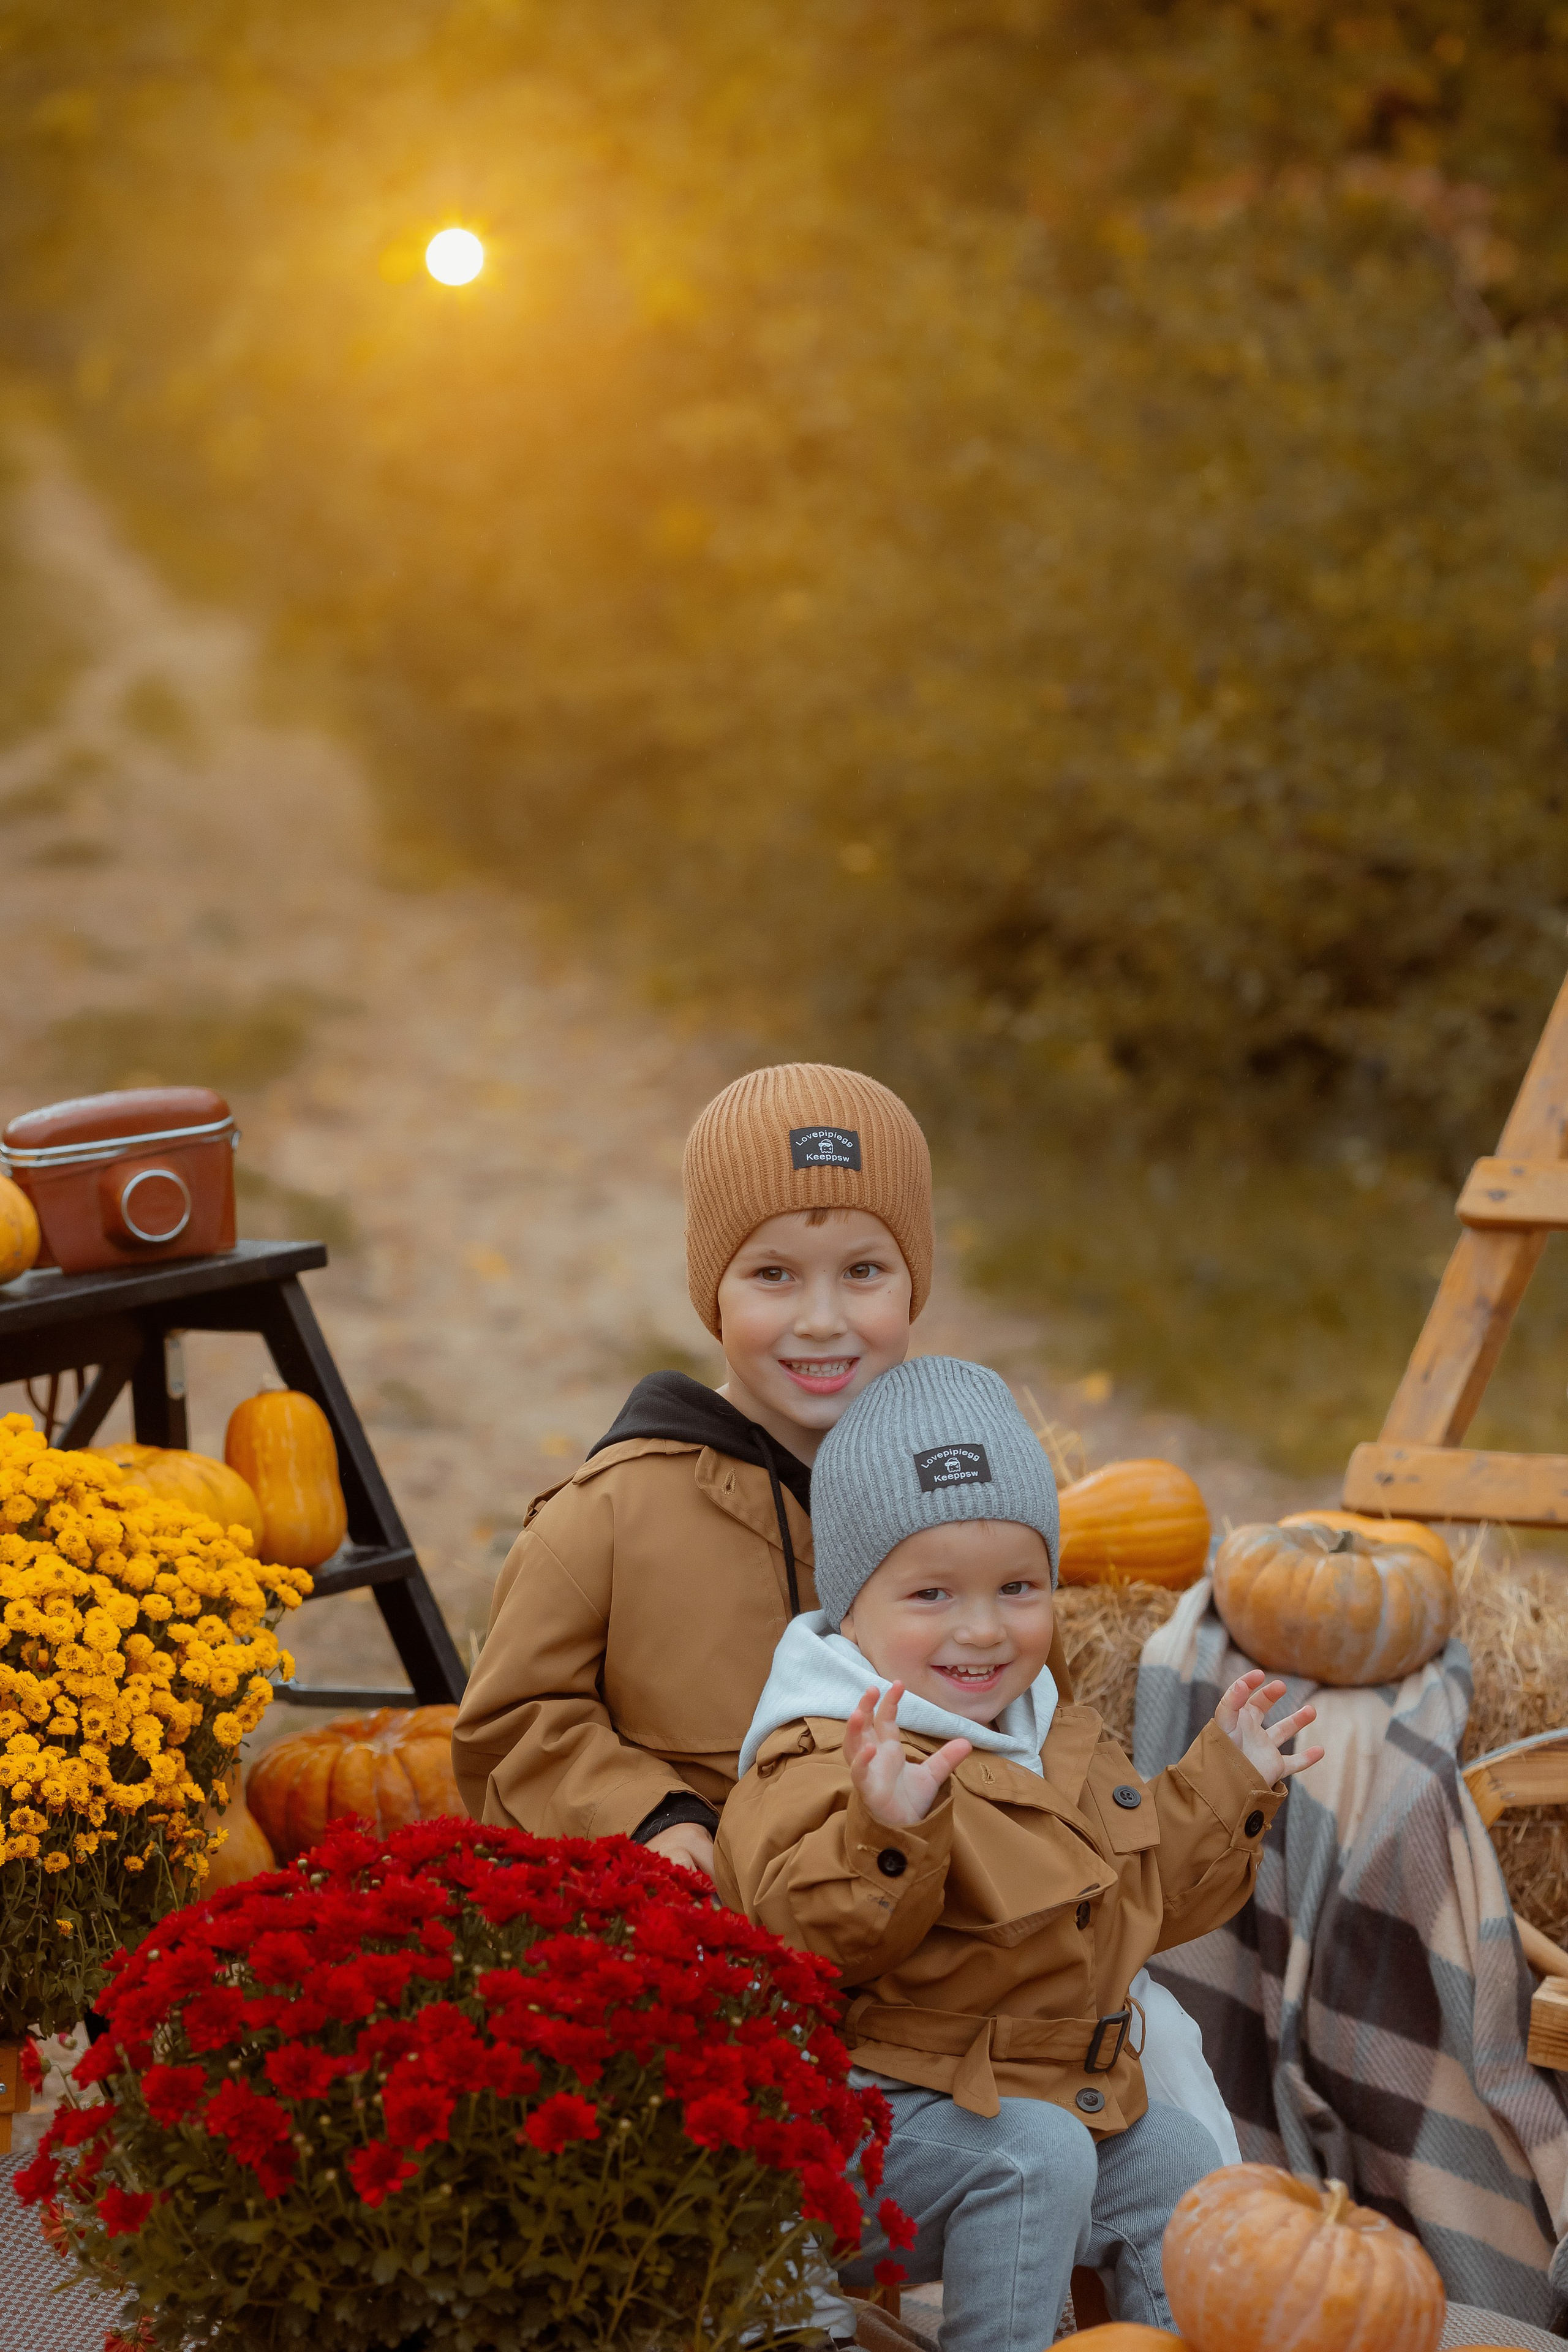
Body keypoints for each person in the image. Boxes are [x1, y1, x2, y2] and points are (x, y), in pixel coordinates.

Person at [715, 1356, 1324, 2351]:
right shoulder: (831, 1748)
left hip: (1011, 2093)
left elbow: (1139, 1902)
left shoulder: (1047, 1733)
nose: (984, 1629)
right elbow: (808, 1938)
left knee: (1166, 2148)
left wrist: (1230, 1783)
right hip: (846, 2127)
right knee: (1036, 2153)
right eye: (932, 1595)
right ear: (851, 1610)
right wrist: (889, 1837)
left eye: (1018, 1587)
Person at [451, 1061, 933, 1869]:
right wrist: (653, 1820)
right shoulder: (613, 1513)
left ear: (914, 1281)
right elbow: (515, 1722)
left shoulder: (959, 1493)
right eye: (773, 1274)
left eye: (863, 1271)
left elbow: (1038, 1702)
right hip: (714, 1936)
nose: (822, 1320)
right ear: (713, 1291)